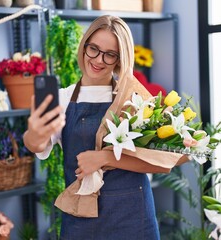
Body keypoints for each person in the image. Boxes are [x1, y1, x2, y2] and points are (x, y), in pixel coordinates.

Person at [24, 15, 162, 240]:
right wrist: (33, 133)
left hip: (134, 215)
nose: (98, 60)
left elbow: (157, 160)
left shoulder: (134, 98)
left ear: (120, 59)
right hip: (82, 218)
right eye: (94, 49)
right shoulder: (63, 98)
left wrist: (104, 159)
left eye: (110, 54)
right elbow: (36, 144)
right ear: (84, 46)